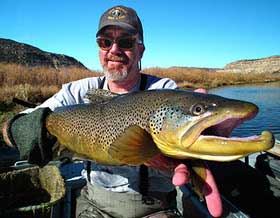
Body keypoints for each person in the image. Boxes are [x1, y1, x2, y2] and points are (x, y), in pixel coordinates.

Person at [2, 5, 199, 218]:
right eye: (106, 42)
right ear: (99, 48)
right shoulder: (76, 91)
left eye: (125, 41)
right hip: (93, 204)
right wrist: (23, 131)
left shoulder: (162, 91)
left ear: (140, 49)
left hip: (154, 208)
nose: (114, 50)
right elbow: (9, 129)